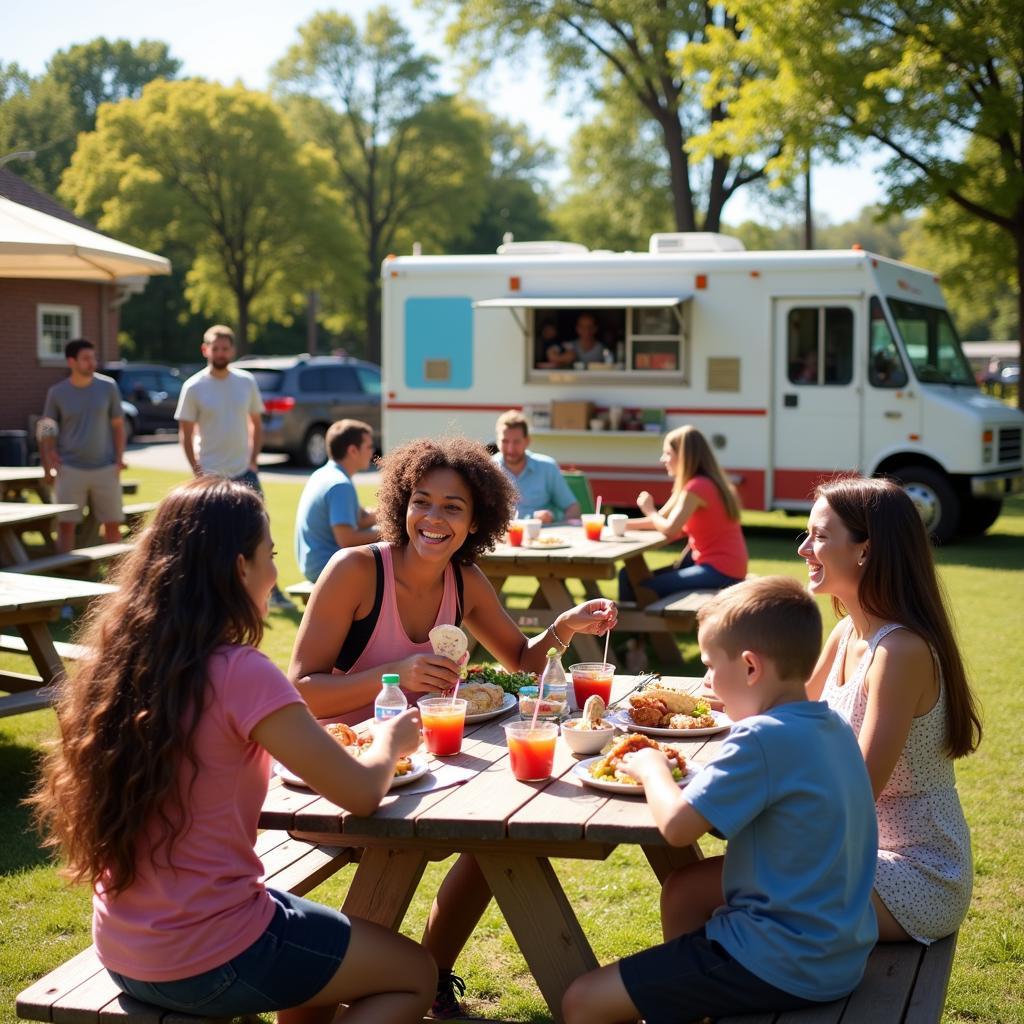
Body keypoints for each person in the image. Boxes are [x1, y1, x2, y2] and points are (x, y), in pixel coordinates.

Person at [28, 476, 436, 1024]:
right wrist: (389, 741)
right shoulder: (241, 673)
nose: (275, 573)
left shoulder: (122, 665)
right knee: (415, 976)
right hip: (212, 954)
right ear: (239, 568)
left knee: (317, 948)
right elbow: (361, 793)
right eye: (268, 555)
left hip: (125, 949)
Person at [288, 435, 616, 1018]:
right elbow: (301, 692)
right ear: (400, 504)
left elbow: (522, 658)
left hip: (422, 770)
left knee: (501, 840)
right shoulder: (356, 571)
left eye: (452, 507)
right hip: (338, 775)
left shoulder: (464, 582)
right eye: (422, 501)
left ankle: (431, 975)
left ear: (476, 522)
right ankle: (350, 989)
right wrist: (393, 675)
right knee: (491, 835)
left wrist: (563, 627)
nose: (433, 518)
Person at [563, 576, 879, 1024]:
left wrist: (651, 767)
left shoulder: (760, 736)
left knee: (581, 1001)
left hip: (780, 958)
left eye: (710, 666)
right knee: (683, 889)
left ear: (751, 667)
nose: (706, 680)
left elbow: (677, 829)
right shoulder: (829, 725)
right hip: (839, 951)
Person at [797, 476, 981, 943]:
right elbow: (791, 713)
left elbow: (856, 789)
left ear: (864, 550)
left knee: (714, 893)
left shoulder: (899, 651)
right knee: (690, 889)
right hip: (858, 849)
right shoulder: (846, 634)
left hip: (917, 871)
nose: (804, 549)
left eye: (819, 535)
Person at [175, 324, 294, 610]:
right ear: (205, 350)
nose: (220, 353)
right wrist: (197, 470)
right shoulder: (193, 386)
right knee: (210, 536)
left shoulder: (246, 382)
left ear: (232, 351)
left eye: (225, 348)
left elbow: (256, 423)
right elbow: (185, 433)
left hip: (245, 473)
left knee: (260, 532)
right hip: (211, 475)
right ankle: (211, 596)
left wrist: (254, 459)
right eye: (215, 348)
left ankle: (271, 593)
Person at [619, 424, 748, 601]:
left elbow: (670, 528)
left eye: (668, 453)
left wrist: (649, 510)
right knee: (628, 575)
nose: (663, 459)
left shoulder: (697, 488)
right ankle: (632, 627)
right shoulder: (700, 483)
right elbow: (662, 520)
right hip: (726, 567)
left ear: (684, 456)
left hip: (720, 571)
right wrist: (620, 525)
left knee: (642, 588)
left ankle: (630, 627)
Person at [40, 339, 126, 554]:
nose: (92, 362)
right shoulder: (57, 392)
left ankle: (117, 580)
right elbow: (47, 429)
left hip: (105, 467)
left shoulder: (108, 387)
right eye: (86, 359)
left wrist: (118, 459)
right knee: (66, 525)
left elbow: (118, 426)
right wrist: (49, 458)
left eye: (93, 358)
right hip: (69, 469)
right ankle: (63, 575)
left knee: (113, 525)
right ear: (71, 361)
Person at [295, 418, 378, 583]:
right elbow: (347, 539)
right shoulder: (340, 484)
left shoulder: (326, 474)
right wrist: (389, 533)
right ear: (353, 451)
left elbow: (361, 519)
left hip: (316, 566)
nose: (373, 452)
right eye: (369, 447)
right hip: (326, 568)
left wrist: (392, 513)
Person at [492, 409, 580, 523]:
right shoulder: (488, 468)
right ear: (497, 441)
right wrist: (532, 516)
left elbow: (572, 508)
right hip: (501, 537)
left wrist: (564, 526)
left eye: (516, 442)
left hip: (543, 536)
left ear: (527, 441)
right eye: (505, 441)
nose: (510, 448)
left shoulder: (547, 467)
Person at [545, 312, 611, 367]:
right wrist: (564, 358)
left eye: (589, 327)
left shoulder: (602, 349)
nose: (586, 331)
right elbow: (551, 354)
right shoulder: (570, 345)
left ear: (595, 329)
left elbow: (610, 365)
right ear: (577, 328)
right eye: (582, 327)